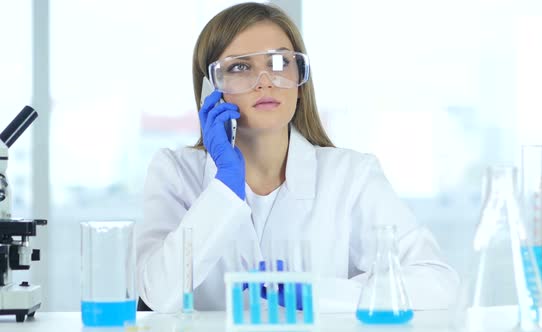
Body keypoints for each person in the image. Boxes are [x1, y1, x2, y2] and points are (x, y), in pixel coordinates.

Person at [136, 2, 458, 313]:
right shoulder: (175, 173)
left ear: (300, 83)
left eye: (279, 64)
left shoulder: (352, 175)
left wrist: (316, 294)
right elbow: (158, 296)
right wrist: (224, 187)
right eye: (240, 67)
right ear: (210, 89)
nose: (265, 81)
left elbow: (437, 282)